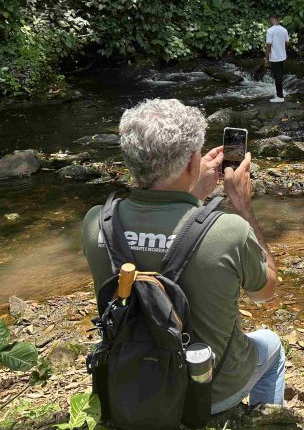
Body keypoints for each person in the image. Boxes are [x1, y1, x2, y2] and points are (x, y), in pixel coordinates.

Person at [81, 99, 284, 414]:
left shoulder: (97, 223)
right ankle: (265, 418)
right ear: (192, 162)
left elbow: (162, 240)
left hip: (129, 384)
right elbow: (265, 292)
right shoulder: (229, 231)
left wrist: (192, 192)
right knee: (272, 345)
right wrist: (243, 207)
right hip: (209, 393)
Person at [264, 14, 290, 103]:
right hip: (282, 56)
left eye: (269, 20)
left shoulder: (270, 31)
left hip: (274, 57)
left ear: (271, 19)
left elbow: (268, 45)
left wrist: (266, 58)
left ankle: (280, 97)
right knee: (280, 75)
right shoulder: (284, 30)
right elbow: (287, 43)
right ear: (278, 20)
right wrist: (283, 51)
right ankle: (281, 93)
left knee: (277, 76)